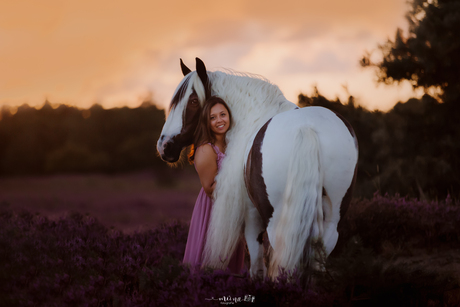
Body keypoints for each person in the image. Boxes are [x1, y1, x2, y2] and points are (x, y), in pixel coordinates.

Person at [182, 96, 245, 274]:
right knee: (210, 261)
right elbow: (211, 189)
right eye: (213, 117)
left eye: (223, 114)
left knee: (230, 265)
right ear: (206, 122)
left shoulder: (234, 143)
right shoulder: (205, 149)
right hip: (214, 209)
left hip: (233, 208)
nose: (219, 120)